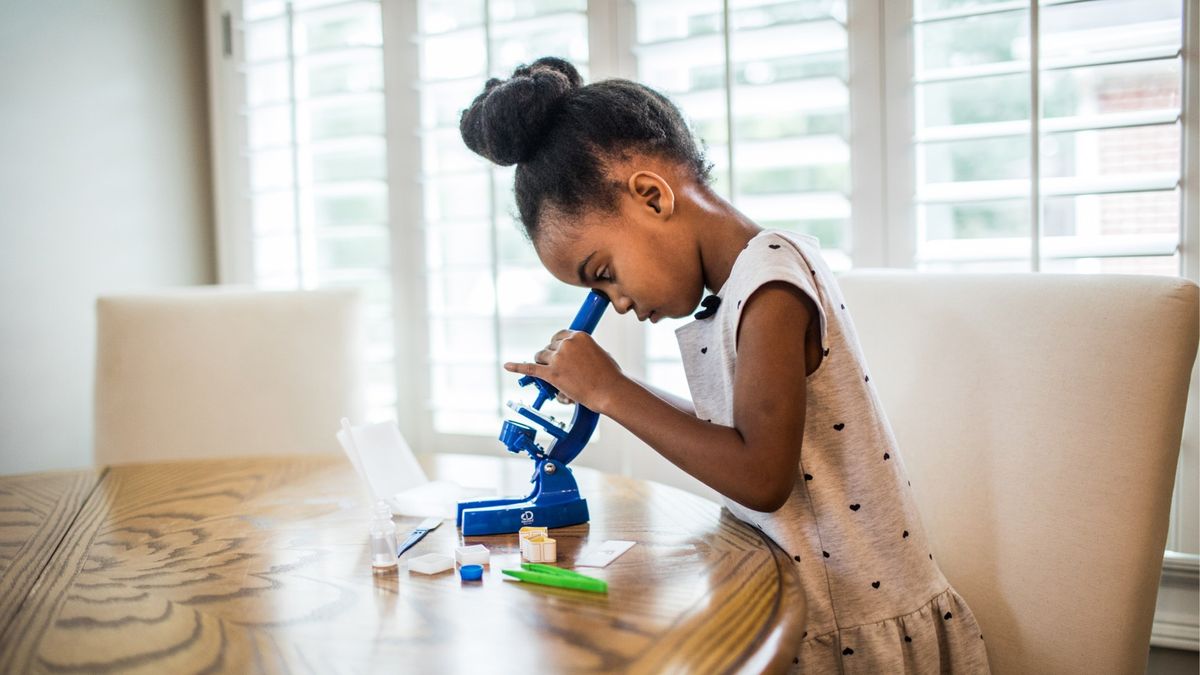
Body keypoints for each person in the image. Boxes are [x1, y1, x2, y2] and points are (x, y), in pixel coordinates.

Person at [459, 56, 991, 673]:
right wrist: (614, 388)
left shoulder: (771, 285)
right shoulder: (746, 286)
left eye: (603, 275)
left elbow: (762, 475)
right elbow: (740, 437)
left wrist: (611, 393)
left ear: (652, 196)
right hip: (809, 607)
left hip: (849, 630)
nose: (618, 304)